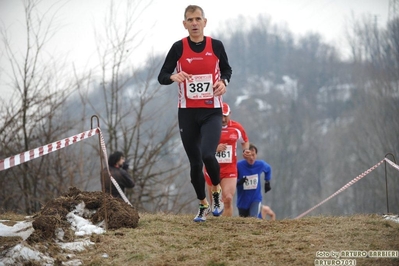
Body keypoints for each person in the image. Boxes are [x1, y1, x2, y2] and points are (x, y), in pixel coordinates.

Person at [157, 5, 232, 222]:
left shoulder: (216, 46)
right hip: (187, 113)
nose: (194, 23)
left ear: (205, 22)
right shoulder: (178, 48)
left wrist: (223, 82)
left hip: (212, 111)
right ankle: (202, 204)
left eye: (198, 19)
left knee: (208, 154)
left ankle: (215, 191)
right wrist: (173, 77)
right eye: (190, 20)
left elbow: (227, 70)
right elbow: (162, 75)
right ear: (185, 24)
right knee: (195, 163)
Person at [204, 102, 252, 217]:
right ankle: (216, 225)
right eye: (221, 116)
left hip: (229, 169)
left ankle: (226, 226)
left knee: (228, 198)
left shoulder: (237, 127)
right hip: (211, 168)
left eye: (225, 115)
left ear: (230, 114)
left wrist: (245, 150)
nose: (223, 119)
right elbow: (200, 145)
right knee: (215, 203)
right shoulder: (209, 126)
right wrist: (214, 148)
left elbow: (245, 141)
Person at [236, 143, 272, 218]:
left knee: (253, 218)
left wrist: (267, 181)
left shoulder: (260, 164)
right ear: (245, 155)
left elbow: (268, 169)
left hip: (255, 198)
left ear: (256, 155)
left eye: (254, 155)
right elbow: (231, 180)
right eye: (250, 155)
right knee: (243, 223)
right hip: (242, 201)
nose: (252, 158)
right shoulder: (239, 165)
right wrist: (239, 182)